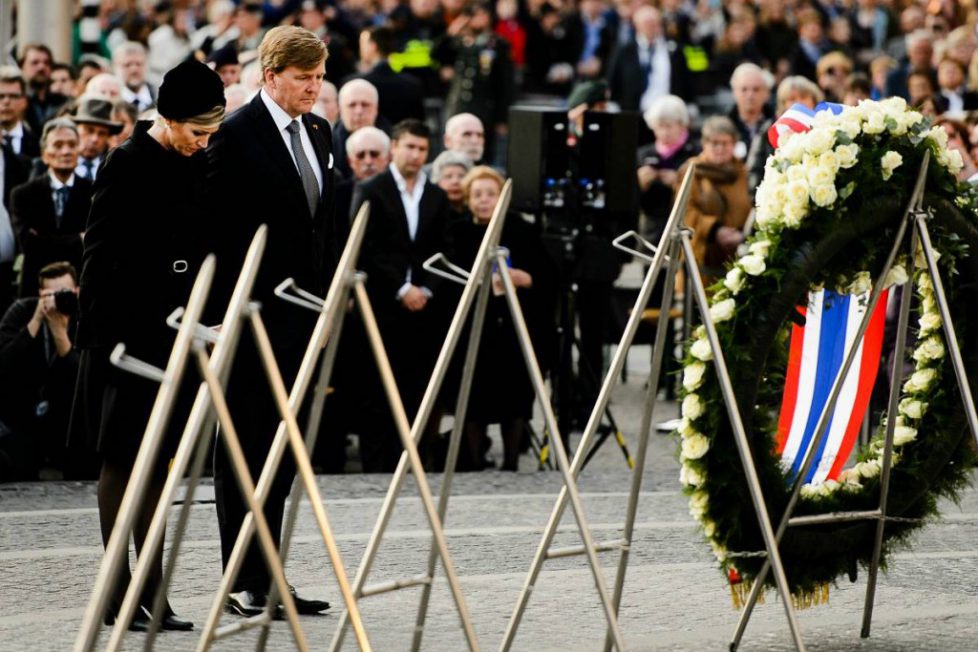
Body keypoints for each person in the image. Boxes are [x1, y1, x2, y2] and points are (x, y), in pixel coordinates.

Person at [69, 58, 226, 632]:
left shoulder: (196, 162)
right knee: (122, 463)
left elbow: (197, 247)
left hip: (176, 336)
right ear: (168, 118)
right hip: (124, 340)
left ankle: (153, 593)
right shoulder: (128, 163)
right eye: (196, 132)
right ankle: (117, 593)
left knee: (160, 465)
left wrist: (201, 317)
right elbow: (104, 260)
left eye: (210, 134)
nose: (203, 143)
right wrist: (136, 330)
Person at [206, 25, 335, 618]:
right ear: (270, 75)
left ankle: (270, 574)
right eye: (304, 78)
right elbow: (220, 234)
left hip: (303, 317)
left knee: (283, 453)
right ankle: (241, 578)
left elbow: (319, 225)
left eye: (319, 76)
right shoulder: (234, 136)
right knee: (244, 447)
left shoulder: (319, 130)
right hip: (251, 314)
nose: (315, 87)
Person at [350, 118, 451, 472]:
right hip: (381, 303)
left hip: (424, 305)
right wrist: (401, 287)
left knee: (416, 383)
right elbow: (364, 246)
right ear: (394, 147)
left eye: (422, 149)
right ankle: (376, 463)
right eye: (409, 147)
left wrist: (425, 288)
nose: (415, 155)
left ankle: (411, 459)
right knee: (377, 384)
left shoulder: (436, 195)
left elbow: (443, 248)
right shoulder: (373, 189)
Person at [445, 166, 554, 471]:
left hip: (514, 325)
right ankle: (475, 458)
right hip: (473, 327)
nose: (483, 201)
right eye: (477, 195)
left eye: (490, 194)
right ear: (467, 200)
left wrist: (525, 279)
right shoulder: (458, 232)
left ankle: (511, 461)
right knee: (472, 395)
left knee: (514, 395)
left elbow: (546, 275)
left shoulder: (520, 229)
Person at [0, 262, 85, 481]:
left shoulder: (83, 317)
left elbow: (81, 379)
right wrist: (36, 320)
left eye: (65, 293)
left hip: (66, 419)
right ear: (40, 294)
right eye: (51, 294)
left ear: (77, 291)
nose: (58, 300)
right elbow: (5, 364)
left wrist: (60, 334)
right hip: (24, 414)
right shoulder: (23, 311)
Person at [11, 118, 91, 297]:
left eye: (72, 145)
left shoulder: (93, 193)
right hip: (35, 287)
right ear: (44, 153)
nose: (66, 151)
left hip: (79, 287)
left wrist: (46, 241)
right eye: (58, 145)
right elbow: (29, 245)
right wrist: (77, 239)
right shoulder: (23, 194)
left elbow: (93, 243)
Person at [675, 116, 751, 288]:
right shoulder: (690, 172)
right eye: (714, 143)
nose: (720, 148)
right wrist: (716, 230)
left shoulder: (743, 172)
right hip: (701, 260)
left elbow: (751, 206)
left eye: (726, 143)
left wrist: (741, 233)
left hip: (737, 258)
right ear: (704, 144)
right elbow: (685, 213)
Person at [636, 95, 697, 246]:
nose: (664, 132)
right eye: (660, 126)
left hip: (685, 230)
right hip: (652, 232)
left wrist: (678, 182)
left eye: (669, 126)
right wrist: (639, 183)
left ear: (682, 125)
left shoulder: (694, 153)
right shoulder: (643, 154)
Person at [607, 6, 691, 112]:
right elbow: (613, 79)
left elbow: (685, 81)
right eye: (647, 23)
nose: (652, 26)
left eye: (655, 22)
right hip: (632, 112)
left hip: (666, 112)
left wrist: (689, 104)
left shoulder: (674, 50)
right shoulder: (624, 50)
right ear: (636, 25)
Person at [350, 25, 425, 127]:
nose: (360, 49)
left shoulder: (357, 84)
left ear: (373, 46)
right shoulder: (413, 84)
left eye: (363, 44)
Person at [71, 97, 123, 181]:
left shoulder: (115, 170)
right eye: (89, 130)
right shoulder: (55, 166)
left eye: (102, 133)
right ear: (75, 130)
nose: (95, 139)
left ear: (108, 137)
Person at [20, 43, 69, 133]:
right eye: (35, 63)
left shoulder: (63, 103)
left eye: (46, 63)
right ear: (22, 67)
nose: (41, 67)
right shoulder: (16, 102)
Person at [0, 67, 39, 158]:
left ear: (24, 101)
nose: (6, 102)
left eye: (13, 96)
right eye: (1, 96)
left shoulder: (37, 144)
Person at [430, 149, 471, 216]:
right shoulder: (430, 213)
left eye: (461, 176)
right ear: (437, 181)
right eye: (448, 176)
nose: (455, 181)